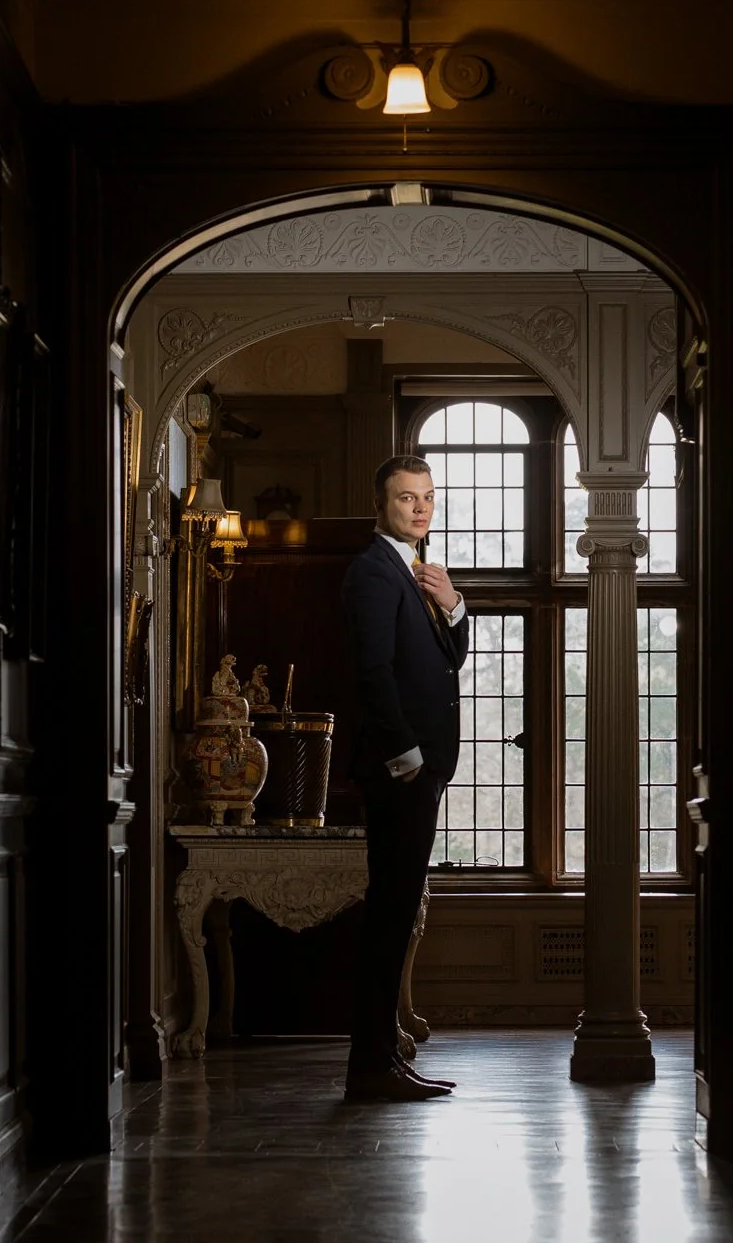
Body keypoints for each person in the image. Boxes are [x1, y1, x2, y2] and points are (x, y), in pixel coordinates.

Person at [338, 454, 468, 1102]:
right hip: (403, 772)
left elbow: (446, 664)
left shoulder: (414, 572)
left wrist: (454, 607)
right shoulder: (372, 572)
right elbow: (373, 673)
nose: (420, 508)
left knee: (394, 914)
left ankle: (382, 1059)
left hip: (420, 769)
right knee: (389, 916)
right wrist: (405, 757)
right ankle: (370, 1067)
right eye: (406, 498)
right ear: (380, 505)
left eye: (427, 498)